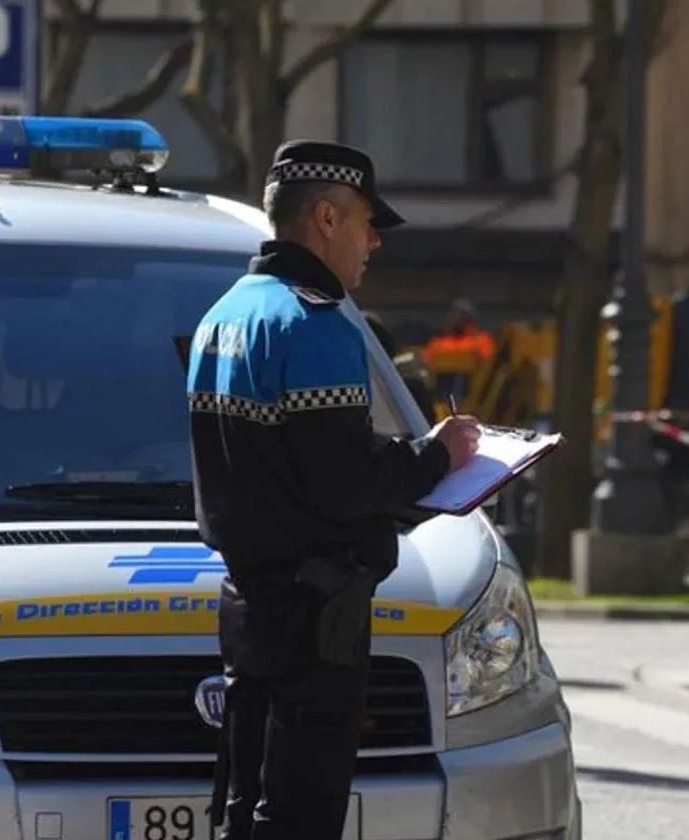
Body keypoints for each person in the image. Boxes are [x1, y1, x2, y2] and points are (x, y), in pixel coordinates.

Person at [186, 140, 481, 839]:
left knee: (243, 809)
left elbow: (289, 460)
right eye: (365, 222)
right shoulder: (314, 322)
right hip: (317, 617)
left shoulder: (224, 315)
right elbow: (346, 484)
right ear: (325, 218)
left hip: (250, 607)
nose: (373, 241)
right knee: (299, 814)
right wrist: (438, 456)